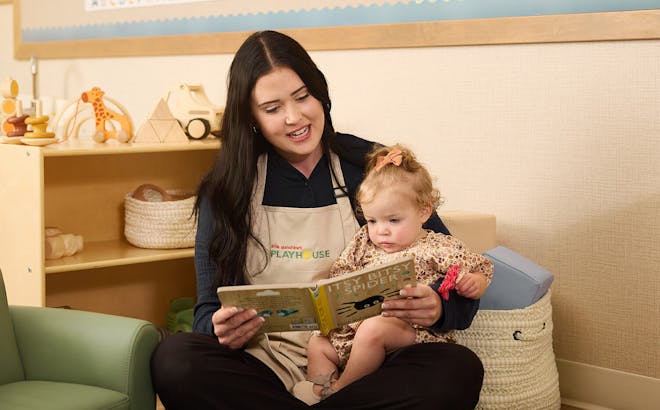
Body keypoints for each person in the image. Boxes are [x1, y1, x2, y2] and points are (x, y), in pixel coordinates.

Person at [151, 30, 486, 410]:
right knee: (175, 359)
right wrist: (220, 329)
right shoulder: (226, 189)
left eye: (302, 97)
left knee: (458, 369)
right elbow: (206, 312)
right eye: (273, 108)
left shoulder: (371, 165)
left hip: (364, 362)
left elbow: (455, 271)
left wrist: (441, 308)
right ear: (253, 118)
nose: (295, 117)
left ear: (320, 93)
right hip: (266, 363)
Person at [292, 145, 493, 405]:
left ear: (424, 212)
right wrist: (328, 292)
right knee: (318, 342)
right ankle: (319, 390)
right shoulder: (364, 240)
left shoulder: (437, 246)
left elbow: (480, 267)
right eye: (372, 220)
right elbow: (342, 270)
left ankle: (341, 391)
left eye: (393, 221)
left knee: (374, 328)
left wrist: (474, 283)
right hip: (353, 333)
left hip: (406, 331)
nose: (381, 231)